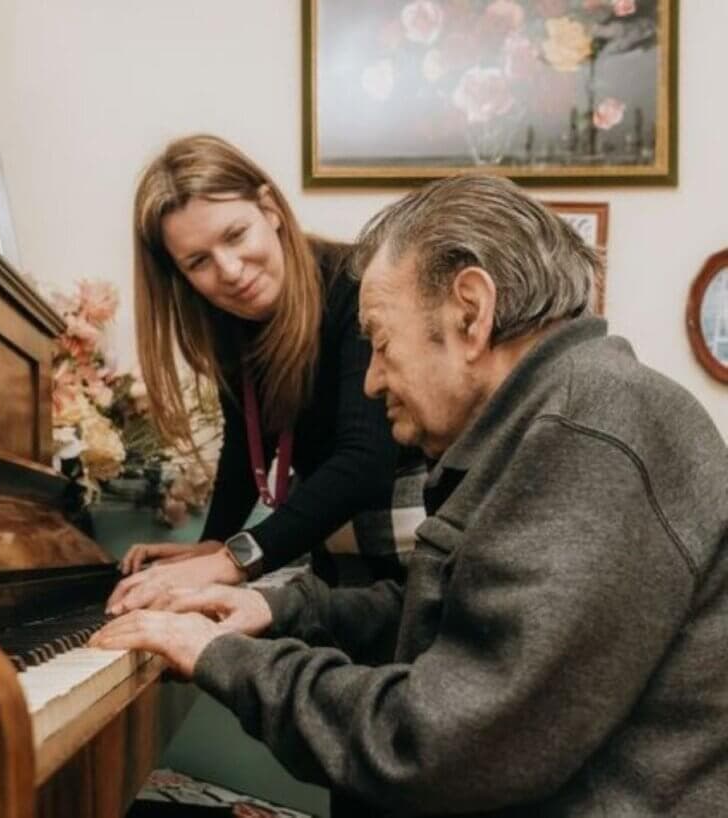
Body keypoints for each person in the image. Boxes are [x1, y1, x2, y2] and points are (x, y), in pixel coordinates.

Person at [91, 175, 728, 816]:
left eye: (380, 341)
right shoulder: (552, 417)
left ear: (470, 313)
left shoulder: (593, 434)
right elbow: (447, 615)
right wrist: (277, 610)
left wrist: (221, 657)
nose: (368, 381)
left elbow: (436, 747)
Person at [107, 135, 425, 614]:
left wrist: (230, 560)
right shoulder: (234, 323)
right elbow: (246, 447)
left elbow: (365, 462)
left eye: (235, 235)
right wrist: (212, 543)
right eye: (198, 262)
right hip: (343, 570)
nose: (230, 271)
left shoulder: (357, 284)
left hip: (415, 565)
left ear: (270, 208)